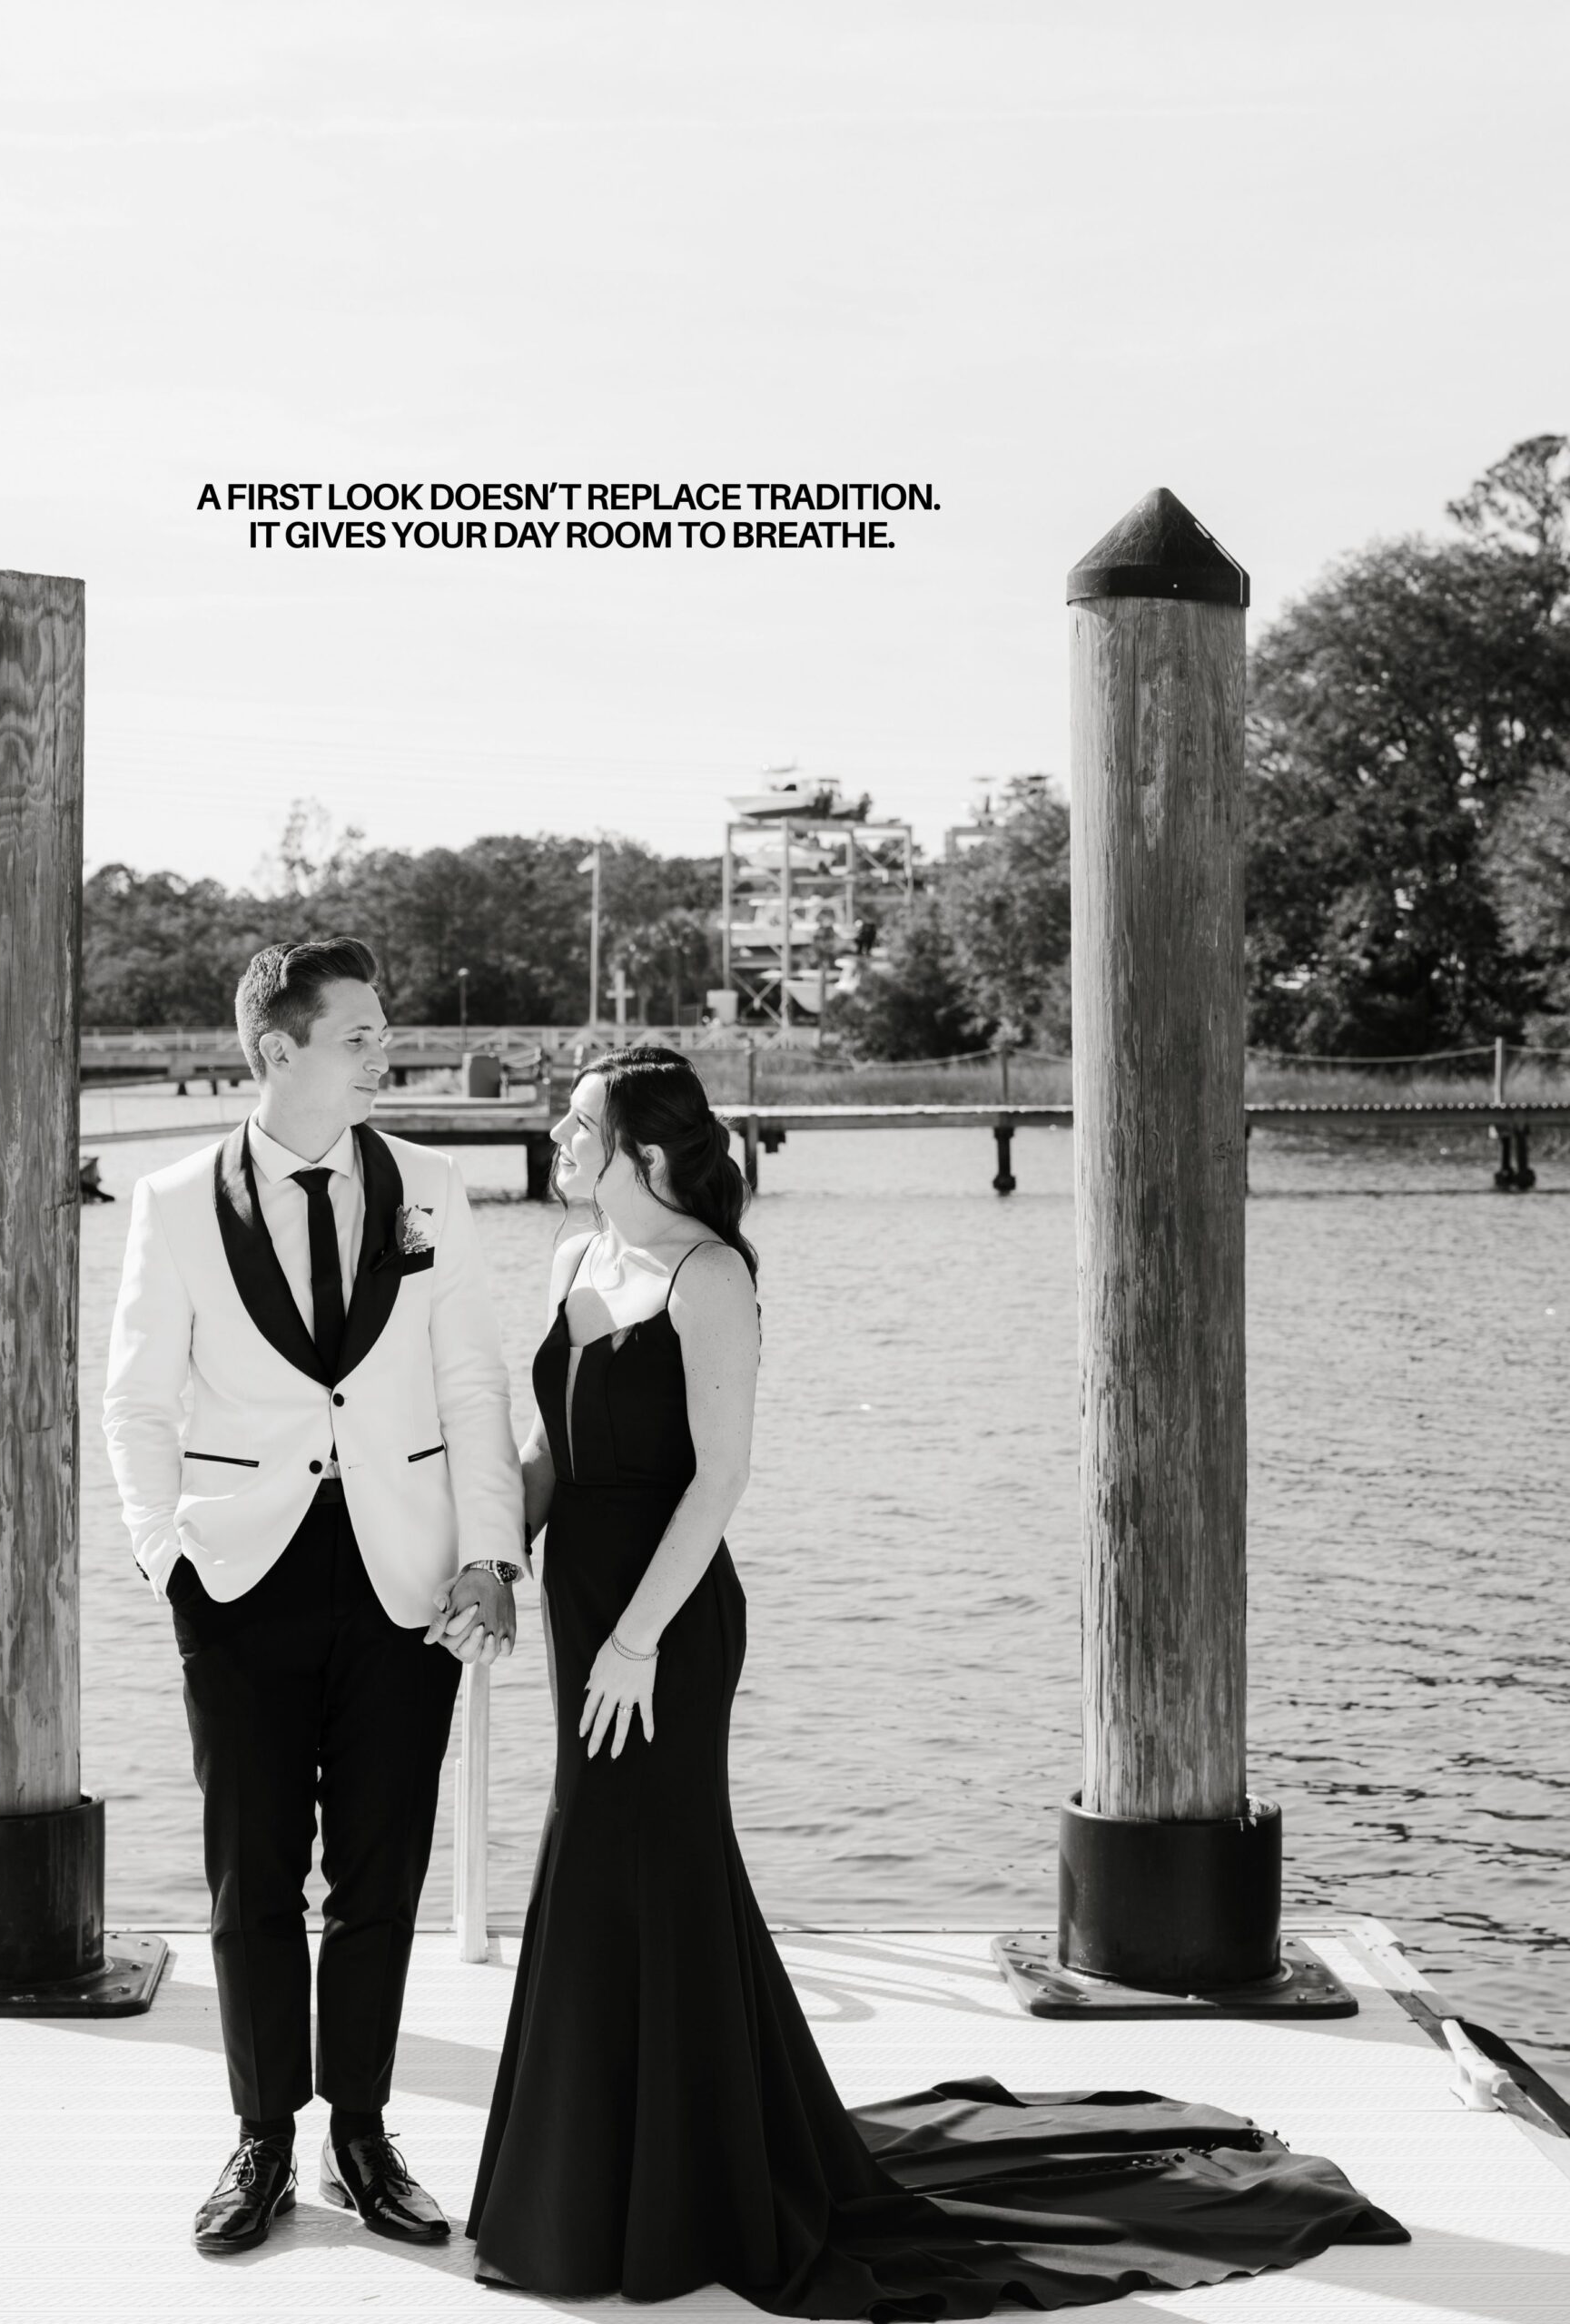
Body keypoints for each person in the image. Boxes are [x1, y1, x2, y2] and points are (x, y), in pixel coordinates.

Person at [461, 1043, 1406, 2314]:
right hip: (583, 1599)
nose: (556, 1137)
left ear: (642, 1151)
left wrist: (636, 1641)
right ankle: (648, 2162)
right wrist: (500, 1564)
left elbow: (721, 1479)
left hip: (667, 1619)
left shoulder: (710, 1276)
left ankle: (643, 2188)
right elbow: (544, 1444)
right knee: (626, 1866)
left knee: (631, 1857)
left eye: (577, 1122)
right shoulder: (571, 1258)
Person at [103, 938, 526, 2254]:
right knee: (251, 1879)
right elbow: (136, 1402)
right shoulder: (171, 1200)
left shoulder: (434, 1191)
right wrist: (165, 1557)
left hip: (406, 1572)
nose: (381, 1054)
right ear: (277, 1053)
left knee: (382, 1875)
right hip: (238, 1576)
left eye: (380, 1033)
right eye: (358, 1037)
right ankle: (261, 2138)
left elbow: (471, 1386)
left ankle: (361, 2130)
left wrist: (492, 1553)